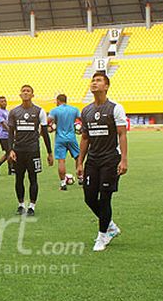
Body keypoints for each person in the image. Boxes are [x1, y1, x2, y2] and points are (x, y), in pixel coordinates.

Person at [76, 72, 129, 252]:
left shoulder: (115, 108)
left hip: (110, 159)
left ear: (106, 86)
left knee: (105, 197)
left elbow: (122, 134)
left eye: (98, 80)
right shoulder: (86, 111)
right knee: (89, 197)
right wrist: (79, 162)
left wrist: (123, 159)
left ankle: (102, 235)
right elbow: (85, 138)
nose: (94, 83)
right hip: (93, 159)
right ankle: (110, 226)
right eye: (93, 80)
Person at [8, 85, 53, 216]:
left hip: (33, 151)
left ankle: (32, 206)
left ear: (33, 95)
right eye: (23, 91)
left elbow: (45, 133)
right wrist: (10, 150)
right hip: (18, 150)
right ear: (20, 95)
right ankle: (21, 205)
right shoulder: (14, 112)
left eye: (28, 91)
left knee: (33, 178)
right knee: (19, 178)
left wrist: (49, 152)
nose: (26, 93)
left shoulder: (39, 111)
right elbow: (11, 133)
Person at [48, 94, 81, 190]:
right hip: (71, 137)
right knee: (78, 157)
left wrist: (51, 128)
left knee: (61, 160)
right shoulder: (74, 109)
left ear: (58, 101)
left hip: (60, 139)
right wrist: (80, 129)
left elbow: (47, 122)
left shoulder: (55, 110)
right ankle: (81, 178)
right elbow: (83, 119)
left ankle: (63, 184)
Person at [0, 96, 13, 176]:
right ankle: (9, 169)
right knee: (9, 152)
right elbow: (3, 124)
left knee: (8, 152)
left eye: (5, 101)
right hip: (3, 135)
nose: (4, 103)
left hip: (8, 135)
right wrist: (11, 132)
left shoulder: (7, 111)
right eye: (2, 101)